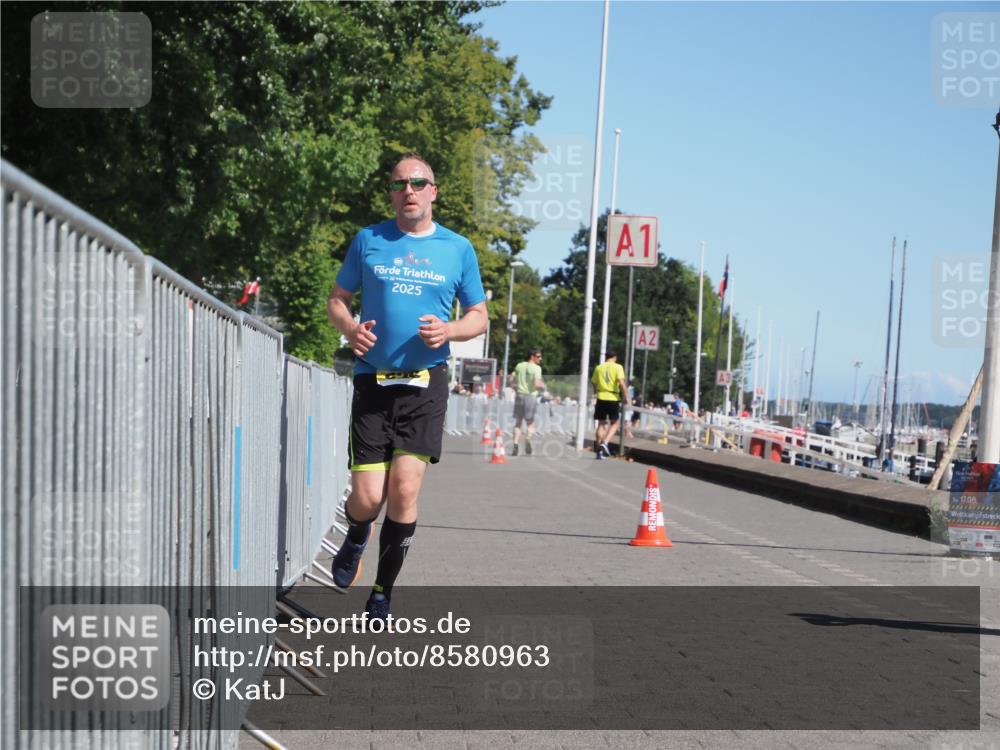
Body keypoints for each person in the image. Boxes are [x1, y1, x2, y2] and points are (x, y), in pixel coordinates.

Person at [326, 153, 487, 620]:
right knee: (367, 498)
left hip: (425, 384)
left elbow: (478, 316)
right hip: (373, 381)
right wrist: (350, 329)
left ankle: (381, 593)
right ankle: (358, 532)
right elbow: (337, 300)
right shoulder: (369, 240)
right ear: (392, 194)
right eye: (400, 184)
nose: (409, 191)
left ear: (433, 191)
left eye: (418, 183)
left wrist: (450, 330)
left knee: (404, 489)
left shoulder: (457, 248)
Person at [590, 351, 629, 459]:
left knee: (601, 423)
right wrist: (626, 396)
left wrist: (597, 391)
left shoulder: (599, 368)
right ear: (615, 357)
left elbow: (593, 382)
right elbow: (621, 383)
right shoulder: (618, 367)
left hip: (601, 397)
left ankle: (598, 449)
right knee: (615, 423)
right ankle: (605, 442)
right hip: (613, 397)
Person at [508, 349, 545, 456]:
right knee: (530, 422)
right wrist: (543, 385)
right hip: (530, 396)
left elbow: (510, 379)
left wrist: (515, 386)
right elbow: (536, 384)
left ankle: (515, 445)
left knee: (518, 422)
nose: (540, 359)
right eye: (538, 356)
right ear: (532, 356)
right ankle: (528, 438)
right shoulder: (537, 368)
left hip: (519, 395)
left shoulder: (519, 365)